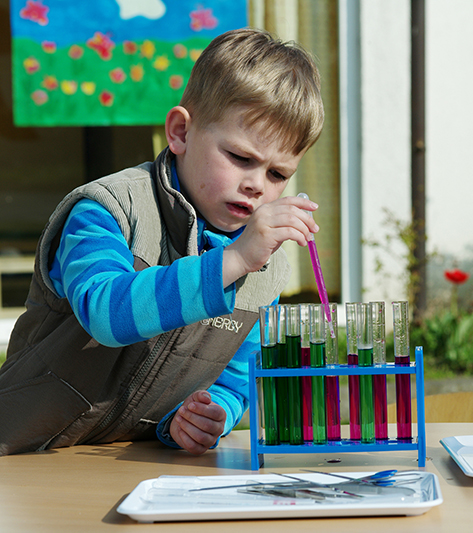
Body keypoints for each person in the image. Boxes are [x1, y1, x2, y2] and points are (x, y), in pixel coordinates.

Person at [0, 28, 324, 456]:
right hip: (22, 451)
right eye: (241, 158)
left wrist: (207, 416)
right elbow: (106, 313)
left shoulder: (266, 267)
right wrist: (232, 259)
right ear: (181, 133)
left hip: (131, 464)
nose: (256, 185)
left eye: (278, 174)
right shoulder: (107, 210)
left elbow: (236, 376)